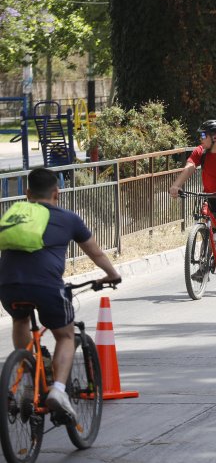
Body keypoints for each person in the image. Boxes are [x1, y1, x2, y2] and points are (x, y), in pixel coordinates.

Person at [0, 168, 121, 421]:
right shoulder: (68, 218)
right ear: (57, 193)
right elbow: (96, 253)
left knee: (20, 319)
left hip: (8, 284)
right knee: (65, 335)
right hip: (46, 286)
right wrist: (111, 275)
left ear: (27, 193)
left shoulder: (14, 216)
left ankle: (25, 373)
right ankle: (57, 390)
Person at [168, 119, 216, 262]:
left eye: (204, 136)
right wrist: (176, 185)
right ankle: (204, 264)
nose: (200, 139)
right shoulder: (201, 151)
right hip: (211, 195)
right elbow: (189, 168)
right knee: (209, 225)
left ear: (215, 137)